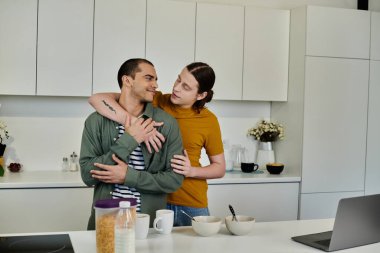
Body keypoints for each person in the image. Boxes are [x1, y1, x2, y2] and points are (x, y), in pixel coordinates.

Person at [89, 62, 225, 226]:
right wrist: (133, 124)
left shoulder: (208, 120)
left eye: (186, 87)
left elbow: (219, 167)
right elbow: (97, 99)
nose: (176, 88)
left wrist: (191, 171)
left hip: (190, 202)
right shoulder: (156, 100)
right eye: (178, 79)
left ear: (201, 95)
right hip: (152, 199)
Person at [80, 58, 184, 229]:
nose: (155, 84)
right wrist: (130, 139)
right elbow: (87, 175)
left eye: (156, 79)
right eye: (149, 78)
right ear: (127, 80)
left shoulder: (166, 123)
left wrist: (129, 176)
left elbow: (174, 180)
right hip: (105, 225)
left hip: (148, 226)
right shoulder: (95, 122)